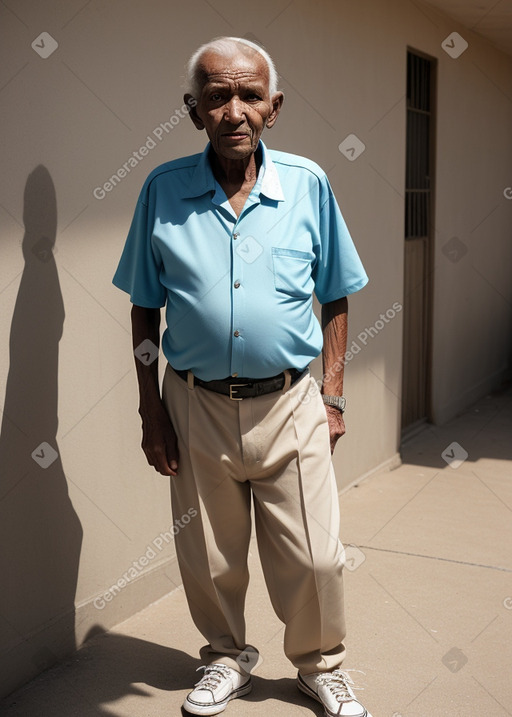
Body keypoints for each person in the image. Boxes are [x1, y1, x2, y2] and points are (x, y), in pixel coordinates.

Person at [113, 36, 372, 717]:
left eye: (249, 95)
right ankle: (226, 657)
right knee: (209, 554)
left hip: (291, 402)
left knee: (316, 559)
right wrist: (151, 412)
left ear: (274, 107)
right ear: (194, 110)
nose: (234, 109)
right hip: (194, 404)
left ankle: (321, 665)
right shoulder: (162, 191)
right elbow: (145, 306)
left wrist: (334, 394)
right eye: (217, 96)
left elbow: (337, 292)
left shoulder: (309, 185)